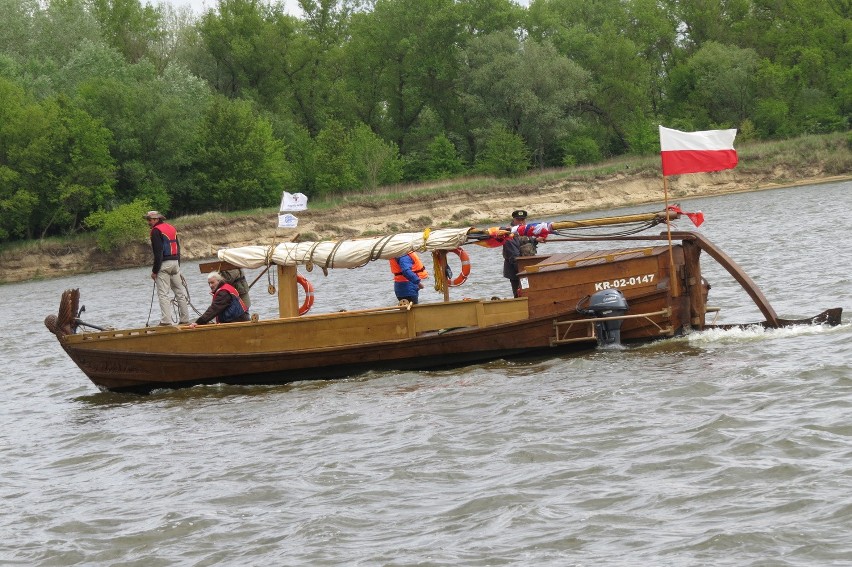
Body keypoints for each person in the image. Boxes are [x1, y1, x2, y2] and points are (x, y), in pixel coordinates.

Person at [145, 210, 190, 326]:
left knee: (163, 294)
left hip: (164, 264)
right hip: (175, 262)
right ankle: (185, 319)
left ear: (156, 219)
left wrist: (155, 271)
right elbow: (178, 248)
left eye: (149, 220)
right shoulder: (171, 228)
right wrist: (178, 267)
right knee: (180, 292)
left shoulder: (155, 231)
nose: (148, 222)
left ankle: (166, 321)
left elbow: (158, 252)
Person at [502, 209, 540, 298]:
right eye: (518, 220)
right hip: (516, 272)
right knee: (520, 295)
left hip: (526, 269)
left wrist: (536, 240)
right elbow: (514, 257)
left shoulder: (524, 231)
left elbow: (527, 241)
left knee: (529, 293)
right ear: (514, 220)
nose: (521, 222)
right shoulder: (509, 234)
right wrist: (525, 271)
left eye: (523, 220)